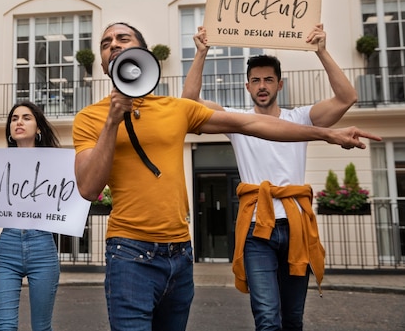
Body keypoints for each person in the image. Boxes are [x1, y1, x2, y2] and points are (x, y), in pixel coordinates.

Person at [72, 22, 380, 331]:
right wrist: (112, 121)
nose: (113, 44)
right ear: (102, 64)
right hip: (129, 254)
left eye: (123, 38)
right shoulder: (88, 118)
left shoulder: (175, 109)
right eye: (105, 42)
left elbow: (252, 124)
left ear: (144, 53)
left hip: (180, 253)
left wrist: (326, 133)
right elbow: (88, 187)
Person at [182, 24, 359, 331]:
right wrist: (201, 53)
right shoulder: (237, 121)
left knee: (292, 319)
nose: (262, 85)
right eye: (256, 81)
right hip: (256, 231)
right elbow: (187, 108)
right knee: (266, 318)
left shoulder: (300, 118)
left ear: (279, 85)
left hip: (296, 227)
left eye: (268, 80)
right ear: (247, 87)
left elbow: (347, 98)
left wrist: (321, 51)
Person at [0, 101, 61, 331]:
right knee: (5, 327)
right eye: (14, 118)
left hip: (43, 246)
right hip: (8, 248)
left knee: (41, 327)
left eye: (26, 118)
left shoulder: (55, 163)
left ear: (38, 128)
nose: (18, 122)